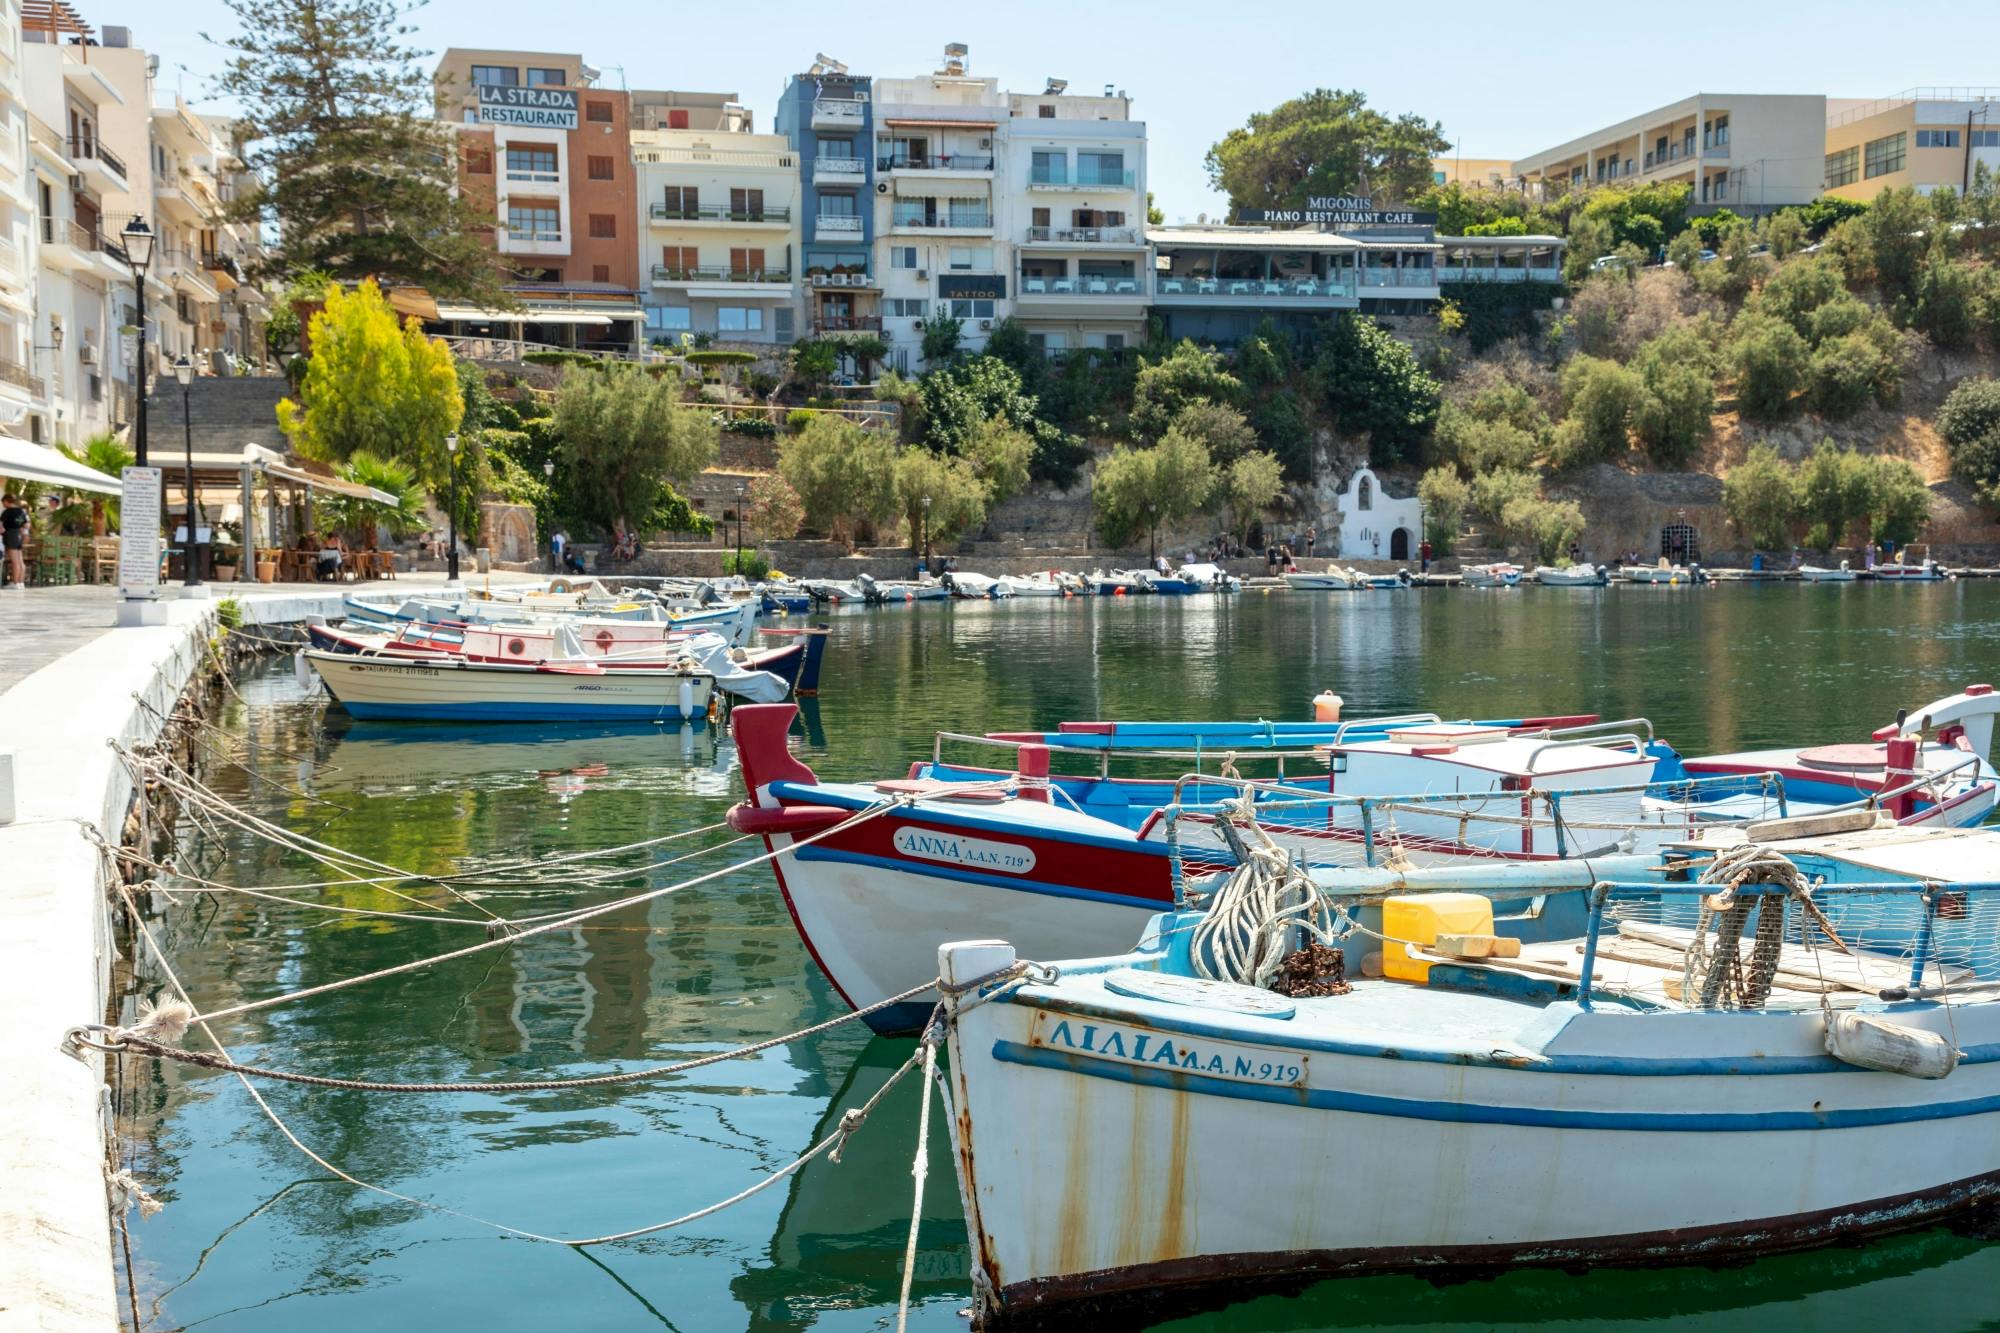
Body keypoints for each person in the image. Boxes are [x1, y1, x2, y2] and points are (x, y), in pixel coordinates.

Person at [2, 493, 27, 589]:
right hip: (18, 535)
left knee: (14, 561)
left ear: (6, 501)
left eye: (3, 503)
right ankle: (21, 583)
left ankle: (15, 583)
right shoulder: (21, 511)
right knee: (20, 561)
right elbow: (24, 525)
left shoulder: (7, 511)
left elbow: (1, 526)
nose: (3, 505)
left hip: (11, 535)